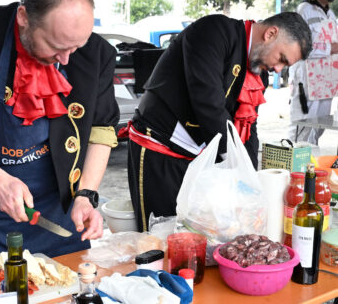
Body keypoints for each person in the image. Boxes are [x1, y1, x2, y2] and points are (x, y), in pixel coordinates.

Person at [127, 12, 312, 232]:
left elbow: (248, 127)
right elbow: (208, 103)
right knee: (157, 234)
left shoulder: (257, 72)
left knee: (191, 235)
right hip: (159, 147)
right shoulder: (214, 31)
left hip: (198, 157)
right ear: (271, 34)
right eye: (282, 58)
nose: (278, 69)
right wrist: (237, 168)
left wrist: (250, 181)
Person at [0, 0, 119, 257]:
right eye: (56, 46)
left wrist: (86, 195)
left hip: (58, 217)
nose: (66, 59)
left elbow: (101, 129)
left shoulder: (96, 54)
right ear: (24, 17)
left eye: (76, 46)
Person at [288, 0, 338, 144]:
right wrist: (330, 49)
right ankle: (293, 166)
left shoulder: (330, 15)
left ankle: (310, 165)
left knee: (318, 127)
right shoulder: (304, 11)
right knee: (302, 126)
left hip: (326, 80)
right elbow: (300, 46)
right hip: (306, 79)